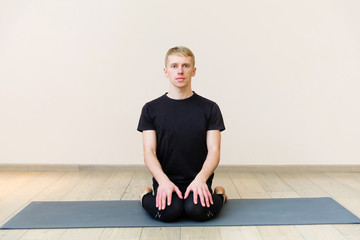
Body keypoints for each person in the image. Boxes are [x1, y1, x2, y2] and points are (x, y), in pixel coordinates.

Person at [137, 46, 227, 222]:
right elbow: (149, 152)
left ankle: (221, 195)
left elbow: (214, 151)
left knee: (198, 212)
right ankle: (145, 195)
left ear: (193, 71)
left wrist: (201, 179)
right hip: (165, 179)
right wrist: (162, 181)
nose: (180, 71)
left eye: (186, 66)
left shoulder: (210, 108)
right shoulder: (150, 109)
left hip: (199, 177)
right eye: (174, 66)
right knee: (167, 213)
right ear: (166, 71)